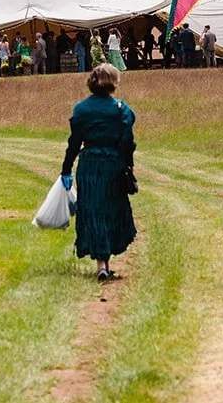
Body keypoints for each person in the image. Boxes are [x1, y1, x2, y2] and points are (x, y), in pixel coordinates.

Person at [61, 64, 138, 282]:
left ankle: (101, 263)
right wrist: (128, 166)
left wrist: (66, 170)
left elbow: (74, 143)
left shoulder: (81, 109)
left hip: (89, 166)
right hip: (113, 165)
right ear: (114, 82)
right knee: (111, 210)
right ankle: (105, 260)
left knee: (93, 210)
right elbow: (128, 142)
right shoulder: (121, 109)